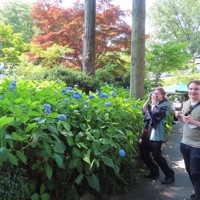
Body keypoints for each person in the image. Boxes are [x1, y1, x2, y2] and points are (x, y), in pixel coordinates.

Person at [139, 87, 175, 185]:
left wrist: (154, 103)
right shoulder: (153, 104)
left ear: (163, 95)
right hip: (147, 133)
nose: (155, 95)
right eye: (154, 93)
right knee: (143, 152)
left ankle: (170, 175)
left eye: (158, 94)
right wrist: (148, 99)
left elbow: (156, 115)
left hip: (156, 135)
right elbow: (144, 110)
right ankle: (154, 171)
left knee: (157, 156)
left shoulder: (165, 105)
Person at [175, 80, 200, 200]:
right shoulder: (186, 103)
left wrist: (193, 122)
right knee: (190, 171)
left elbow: (192, 122)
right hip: (185, 143)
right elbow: (183, 122)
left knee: (196, 174)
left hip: (197, 146)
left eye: (196, 89)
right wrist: (179, 117)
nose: (193, 91)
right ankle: (197, 192)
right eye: (191, 89)